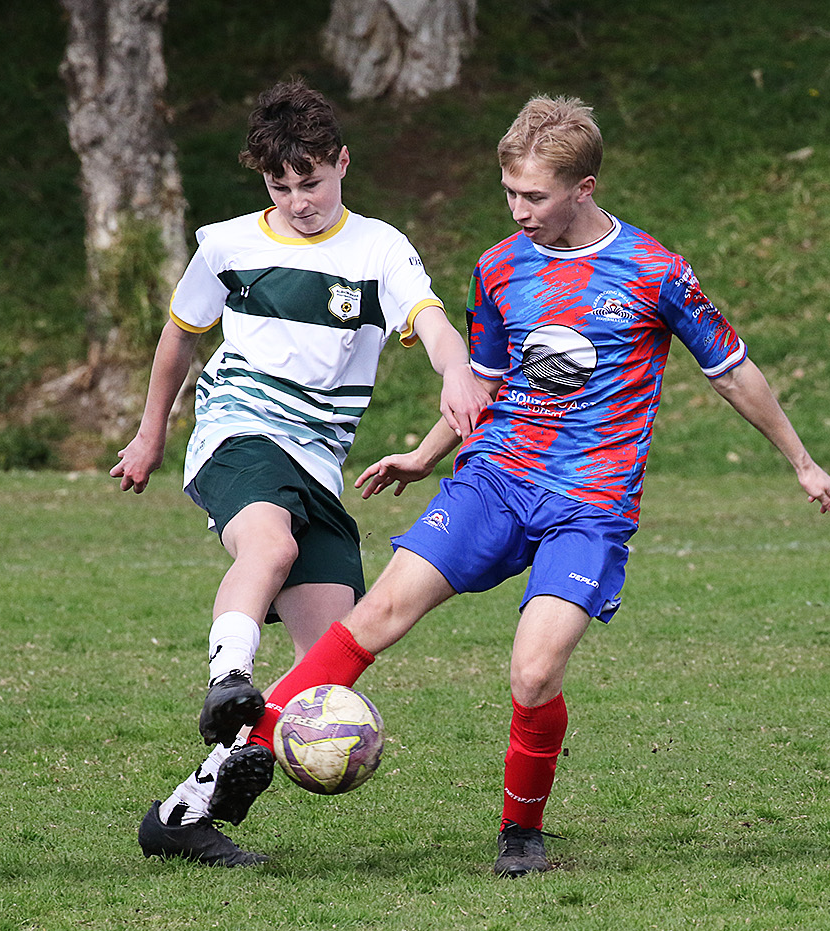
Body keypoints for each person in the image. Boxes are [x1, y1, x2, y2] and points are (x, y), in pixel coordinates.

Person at [191, 94, 830, 876]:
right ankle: (206, 792)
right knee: (378, 613)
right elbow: (484, 379)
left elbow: (731, 372)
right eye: (509, 193)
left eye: (534, 196)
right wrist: (424, 452)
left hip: (590, 502)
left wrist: (802, 460)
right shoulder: (499, 268)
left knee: (533, 670)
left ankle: (521, 831)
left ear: (584, 186)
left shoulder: (652, 270)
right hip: (496, 479)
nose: (517, 211)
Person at [110, 79, 487, 865]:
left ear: (342, 163)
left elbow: (432, 323)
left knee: (325, 674)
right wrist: (150, 434)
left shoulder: (378, 248)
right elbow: (179, 339)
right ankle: (227, 677)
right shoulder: (226, 245)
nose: (297, 200)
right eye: (280, 186)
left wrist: (455, 374)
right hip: (237, 431)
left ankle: (185, 810)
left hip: (319, 460)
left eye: (310, 181)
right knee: (269, 548)